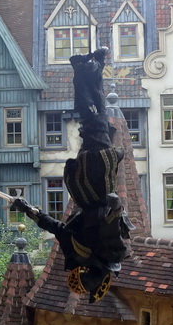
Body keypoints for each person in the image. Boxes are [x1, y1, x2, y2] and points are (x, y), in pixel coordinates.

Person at [11, 47, 133, 302]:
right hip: (91, 186)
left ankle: (87, 68)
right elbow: (57, 226)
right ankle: (86, 68)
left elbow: (64, 226)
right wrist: (27, 209)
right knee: (93, 121)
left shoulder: (93, 253)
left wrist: (28, 210)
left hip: (95, 184)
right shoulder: (87, 252)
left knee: (95, 121)